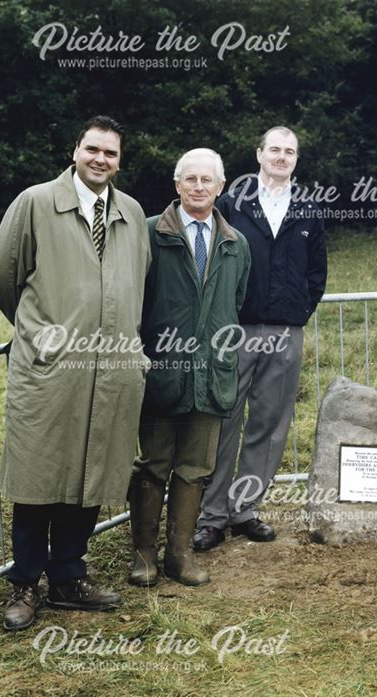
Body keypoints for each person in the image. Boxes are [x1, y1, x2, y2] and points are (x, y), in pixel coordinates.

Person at [0, 115, 150, 631]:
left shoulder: (130, 212)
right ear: (75, 150)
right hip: (51, 369)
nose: (101, 159)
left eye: (111, 153)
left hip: (111, 369)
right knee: (39, 478)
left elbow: (138, 283)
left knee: (90, 473)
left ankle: (68, 577)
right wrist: (41, 332)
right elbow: (4, 277)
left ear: (120, 161)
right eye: (93, 149)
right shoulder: (36, 203)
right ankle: (25, 584)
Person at [193, 126, 327, 551]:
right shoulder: (231, 205)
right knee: (224, 421)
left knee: (270, 425)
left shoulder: (308, 209)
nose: (282, 157)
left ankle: (244, 509)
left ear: (296, 159)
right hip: (236, 331)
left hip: (285, 332)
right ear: (259, 154)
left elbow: (316, 273)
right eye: (275, 149)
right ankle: (211, 515)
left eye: (290, 151)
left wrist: (300, 310)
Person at [128, 149, 250, 587]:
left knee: (196, 467)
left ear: (220, 187)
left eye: (208, 180)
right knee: (152, 464)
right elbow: (133, 301)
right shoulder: (147, 235)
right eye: (191, 179)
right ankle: (143, 555)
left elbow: (234, 305)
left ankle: (179, 555)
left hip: (210, 375)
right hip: (162, 372)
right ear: (177, 185)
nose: (199, 187)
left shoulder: (236, 244)